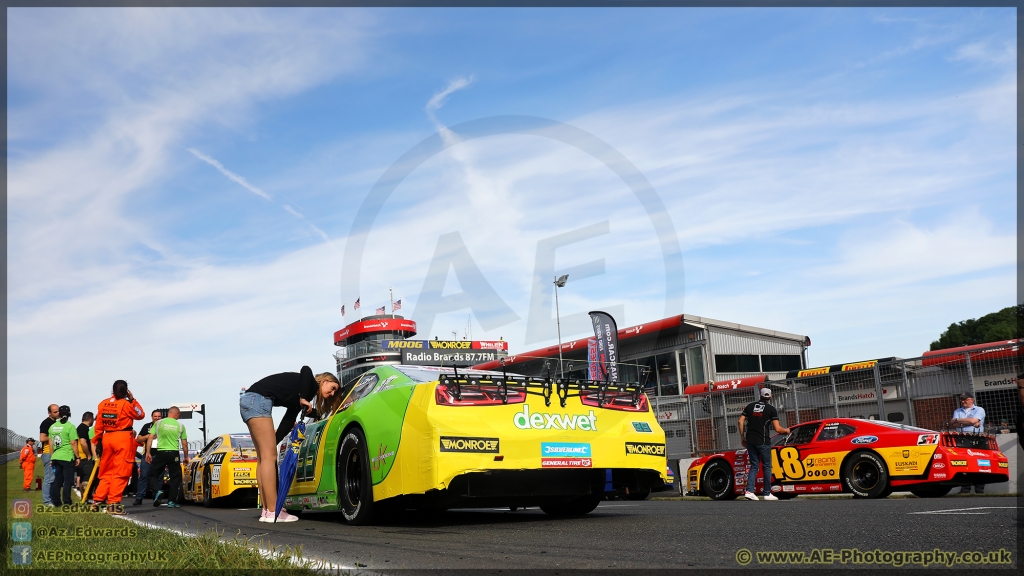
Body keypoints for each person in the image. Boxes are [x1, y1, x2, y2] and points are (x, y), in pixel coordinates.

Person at [240, 367, 340, 523]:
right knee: (268, 458)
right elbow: (306, 369)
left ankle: (267, 511)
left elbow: (288, 421)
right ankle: (275, 511)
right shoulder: (310, 385)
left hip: (250, 401)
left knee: (263, 457)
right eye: (332, 388)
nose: (332, 393)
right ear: (324, 382)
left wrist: (275, 440)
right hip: (258, 400)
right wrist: (304, 398)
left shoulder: (301, 393)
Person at [91, 380, 145, 515]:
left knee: (106, 471)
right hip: (122, 438)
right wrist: (133, 399)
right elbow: (140, 415)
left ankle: (97, 500)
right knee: (121, 472)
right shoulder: (126, 404)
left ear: (112, 390)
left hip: (107, 438)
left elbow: (98, 424)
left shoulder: (103, 403)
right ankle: (113, 504)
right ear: (126, 391)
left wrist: (97, 439)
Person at [737, 388, 790, 501]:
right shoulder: (771, 409)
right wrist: (787, 430)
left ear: (760, 395)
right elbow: (778, 429)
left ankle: (749, 491)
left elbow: (740, 421)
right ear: (770, 397)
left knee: (754, 466)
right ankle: (767, 493)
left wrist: (742, 437)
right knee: (766, 467)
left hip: (750, 440)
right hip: (763, 441)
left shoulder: (750, 406)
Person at [146, 406, 189, 508]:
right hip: (174, 453)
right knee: (175, 477)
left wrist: (148, 452)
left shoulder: (158, 423)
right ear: (177, 414)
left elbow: (150, 438)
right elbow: (184, 444)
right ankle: (171, 501)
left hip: (161, 452)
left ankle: (158, 490)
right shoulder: (181, 425)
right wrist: (186, 456)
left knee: (152, 474)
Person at [948, 391, 987, 494]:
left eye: (965, 399)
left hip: (976, 439)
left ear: (971, 400)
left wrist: (960, 421)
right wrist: (969, 422)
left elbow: (973, 420)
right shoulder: (958, 410)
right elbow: (953, 424)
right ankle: (965, 489)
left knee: (979, 464)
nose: (963, 401)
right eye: (961, 399)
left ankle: (979, 489)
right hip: (961, 439)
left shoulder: (979, 409)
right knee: (963, 464)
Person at [48, 405, 81, 507]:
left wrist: (51, 457)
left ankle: (56, 501)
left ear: (59, 414)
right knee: (68, 481)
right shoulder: (70, 426)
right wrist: (77, 457)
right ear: (69, 414)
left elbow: (50, 444)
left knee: (58, 480)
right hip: (67, 456)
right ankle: (67, 501)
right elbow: (73, 443)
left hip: (56, 456)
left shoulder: (52, 427)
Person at [133, 410, 163, 505]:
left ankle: (157, 497)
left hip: (160, 455)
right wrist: (149, 436)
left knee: (159, 476)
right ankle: (139, 497)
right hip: (147, 454)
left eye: (159, 416)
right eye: (155, 416)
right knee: (143, 476)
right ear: (152, 417)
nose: (157, 418)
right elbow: (138, 439)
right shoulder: (147, 426)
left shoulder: (164, 427)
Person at [39, 404, 59, 506]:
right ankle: (47, 501)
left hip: (54, 453)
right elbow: (42, 438)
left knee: (54, 478)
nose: (58, 413)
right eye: (55, 412)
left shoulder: (56, 423)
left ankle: (52, 499)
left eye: (58, 411)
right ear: (49, 413)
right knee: (49, 478)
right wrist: (54, 436)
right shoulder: (46, 423)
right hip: (47, 452)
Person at [75, 412, 96, 499]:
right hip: (84, 456)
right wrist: (89, 455)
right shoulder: (84, 428)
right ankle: (86, 497)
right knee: (87, 478)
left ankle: (83, 497)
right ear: (90, 419)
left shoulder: (79, 427)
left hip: (79, 457)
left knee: (82, 477)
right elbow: (83, 442)